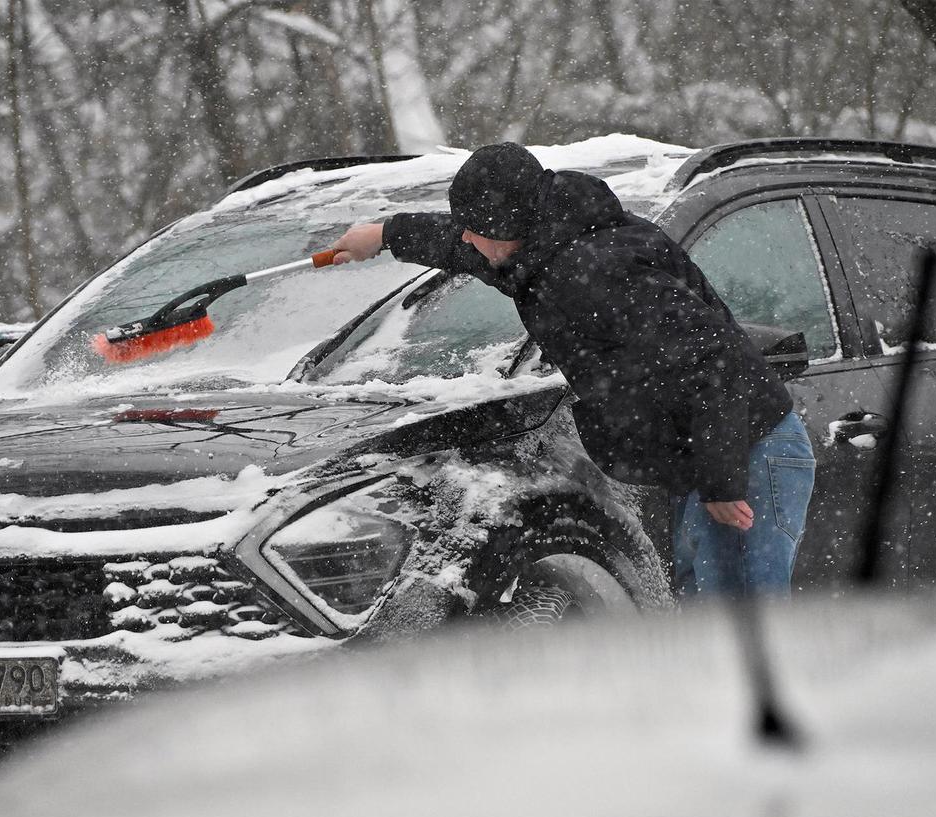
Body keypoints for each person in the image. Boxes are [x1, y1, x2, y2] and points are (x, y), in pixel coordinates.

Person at [329, 142, 815, 597]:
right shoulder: (544, 249)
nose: (467, 239)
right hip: (711, 452)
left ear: (506, 223)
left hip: (749, 449)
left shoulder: (598, 270)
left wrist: (722, 482)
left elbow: (714, 358)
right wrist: (386, 234)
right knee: (709, 618)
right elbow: (462, 248)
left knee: (740, 622)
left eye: (475, 228)